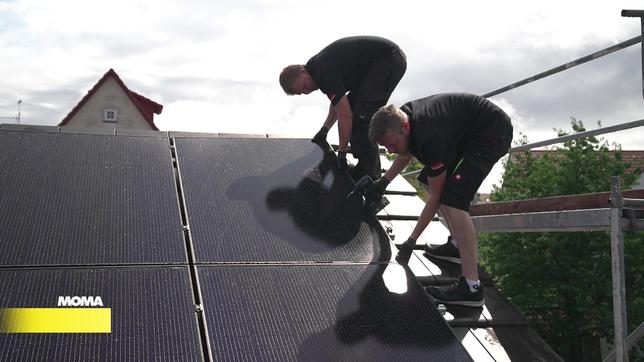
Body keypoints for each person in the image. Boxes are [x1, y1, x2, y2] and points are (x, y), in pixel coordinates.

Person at [366, 93, 513, 307]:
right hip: (465, 133)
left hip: (490, 132)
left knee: (454, 200)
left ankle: (472, 288)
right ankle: (456, 245)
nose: (390, 151)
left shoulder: (429, 135)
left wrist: (411, 241)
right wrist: (383, 182)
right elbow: (406, 150)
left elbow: (436, 198)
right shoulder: (402, 119)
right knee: (427, 179)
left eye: (391, 144)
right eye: (386, 147)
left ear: (404, 128)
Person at [279, 36, 407, 180]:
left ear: (303, 71)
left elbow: (345, 115)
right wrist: (324, 129)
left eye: (304, 86)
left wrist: (342, 153)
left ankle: (371, 176)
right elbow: (339, 103)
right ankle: (365, 167)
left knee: (361, 119)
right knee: (354, 113)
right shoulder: (317, 70)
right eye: (302, 92)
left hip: (387, 61)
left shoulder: (322, 70)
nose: (307, 91)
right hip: (376, 66)